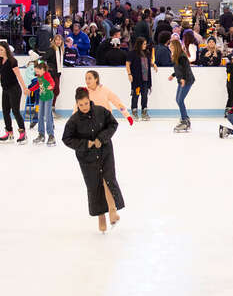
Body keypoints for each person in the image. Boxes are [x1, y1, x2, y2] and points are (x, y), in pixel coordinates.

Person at [63, 87, 124, 234]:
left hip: (105, 152)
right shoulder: (74, 120)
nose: (84, 107)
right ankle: (101, 217)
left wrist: (101, 138)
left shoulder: (101, 111)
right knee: (94, 185)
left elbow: (113, 124)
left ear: (89, 100)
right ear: (77, 104)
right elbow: (67, 139)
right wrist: (85, 144)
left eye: (86, 103)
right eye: (80, 105)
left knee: (107, 179)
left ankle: (112, 210)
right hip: (87, 158)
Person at [0, 41, 29, 145]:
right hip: (5, 89)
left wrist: (25, 88)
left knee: (15, 111)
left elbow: (18, 75)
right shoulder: (1, 60)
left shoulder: (12, 61)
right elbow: (2, 74)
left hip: (14, 89)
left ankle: (23, 133)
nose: (0, 52)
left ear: (6, 49)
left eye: (1, 50)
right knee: (5, 111)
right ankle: (9, 133)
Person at [28, 60, 56, 146]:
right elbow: (37, 85)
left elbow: (52, 82)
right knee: (40, 116)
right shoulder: (39, 76)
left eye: (37, 71)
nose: (36, 73)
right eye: (35, 71)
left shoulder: (47, 75)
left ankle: (51, 136)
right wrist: (30, 90)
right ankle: (41, 135)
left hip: (48, 97)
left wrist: (51, 86)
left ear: (43, 69)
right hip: (42, 97)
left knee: (47, 116)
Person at [168, 40, 195, 132]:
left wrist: (183, 79)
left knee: (180, 100)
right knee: (178, 99)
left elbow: (186, 69)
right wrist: (173, 75)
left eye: (172, 46)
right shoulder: (176, 56)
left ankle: (185, 121)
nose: (170, 48)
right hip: (182, 80)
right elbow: (178, 69)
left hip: (187, 80)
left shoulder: (182, 57)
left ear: (176, 47)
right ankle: (185, 118)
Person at [126, 37, 154, 121]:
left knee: (144, 95)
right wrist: (129, 74)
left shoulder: (147, 53)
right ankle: (134, 111)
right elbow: (127, 64)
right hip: (137, 80)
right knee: (136, 95)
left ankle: (144, 111)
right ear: (139, 44)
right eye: (144, 44)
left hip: (145, 79)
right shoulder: (132, 53)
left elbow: (149, 62)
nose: (145, 46)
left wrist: (153, 64)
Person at [44, 34, 65, 110]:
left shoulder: (61, 50)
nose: (58, 41)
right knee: (55, 90)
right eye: (57, 39)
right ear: (54, 41)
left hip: (58, 72)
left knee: (56, 91)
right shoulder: (52, 49)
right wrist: (48, 68)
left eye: (60, 40)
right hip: (52, 73)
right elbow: (44, 58)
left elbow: (60, 61)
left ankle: (51, 106)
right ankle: (50, 107)